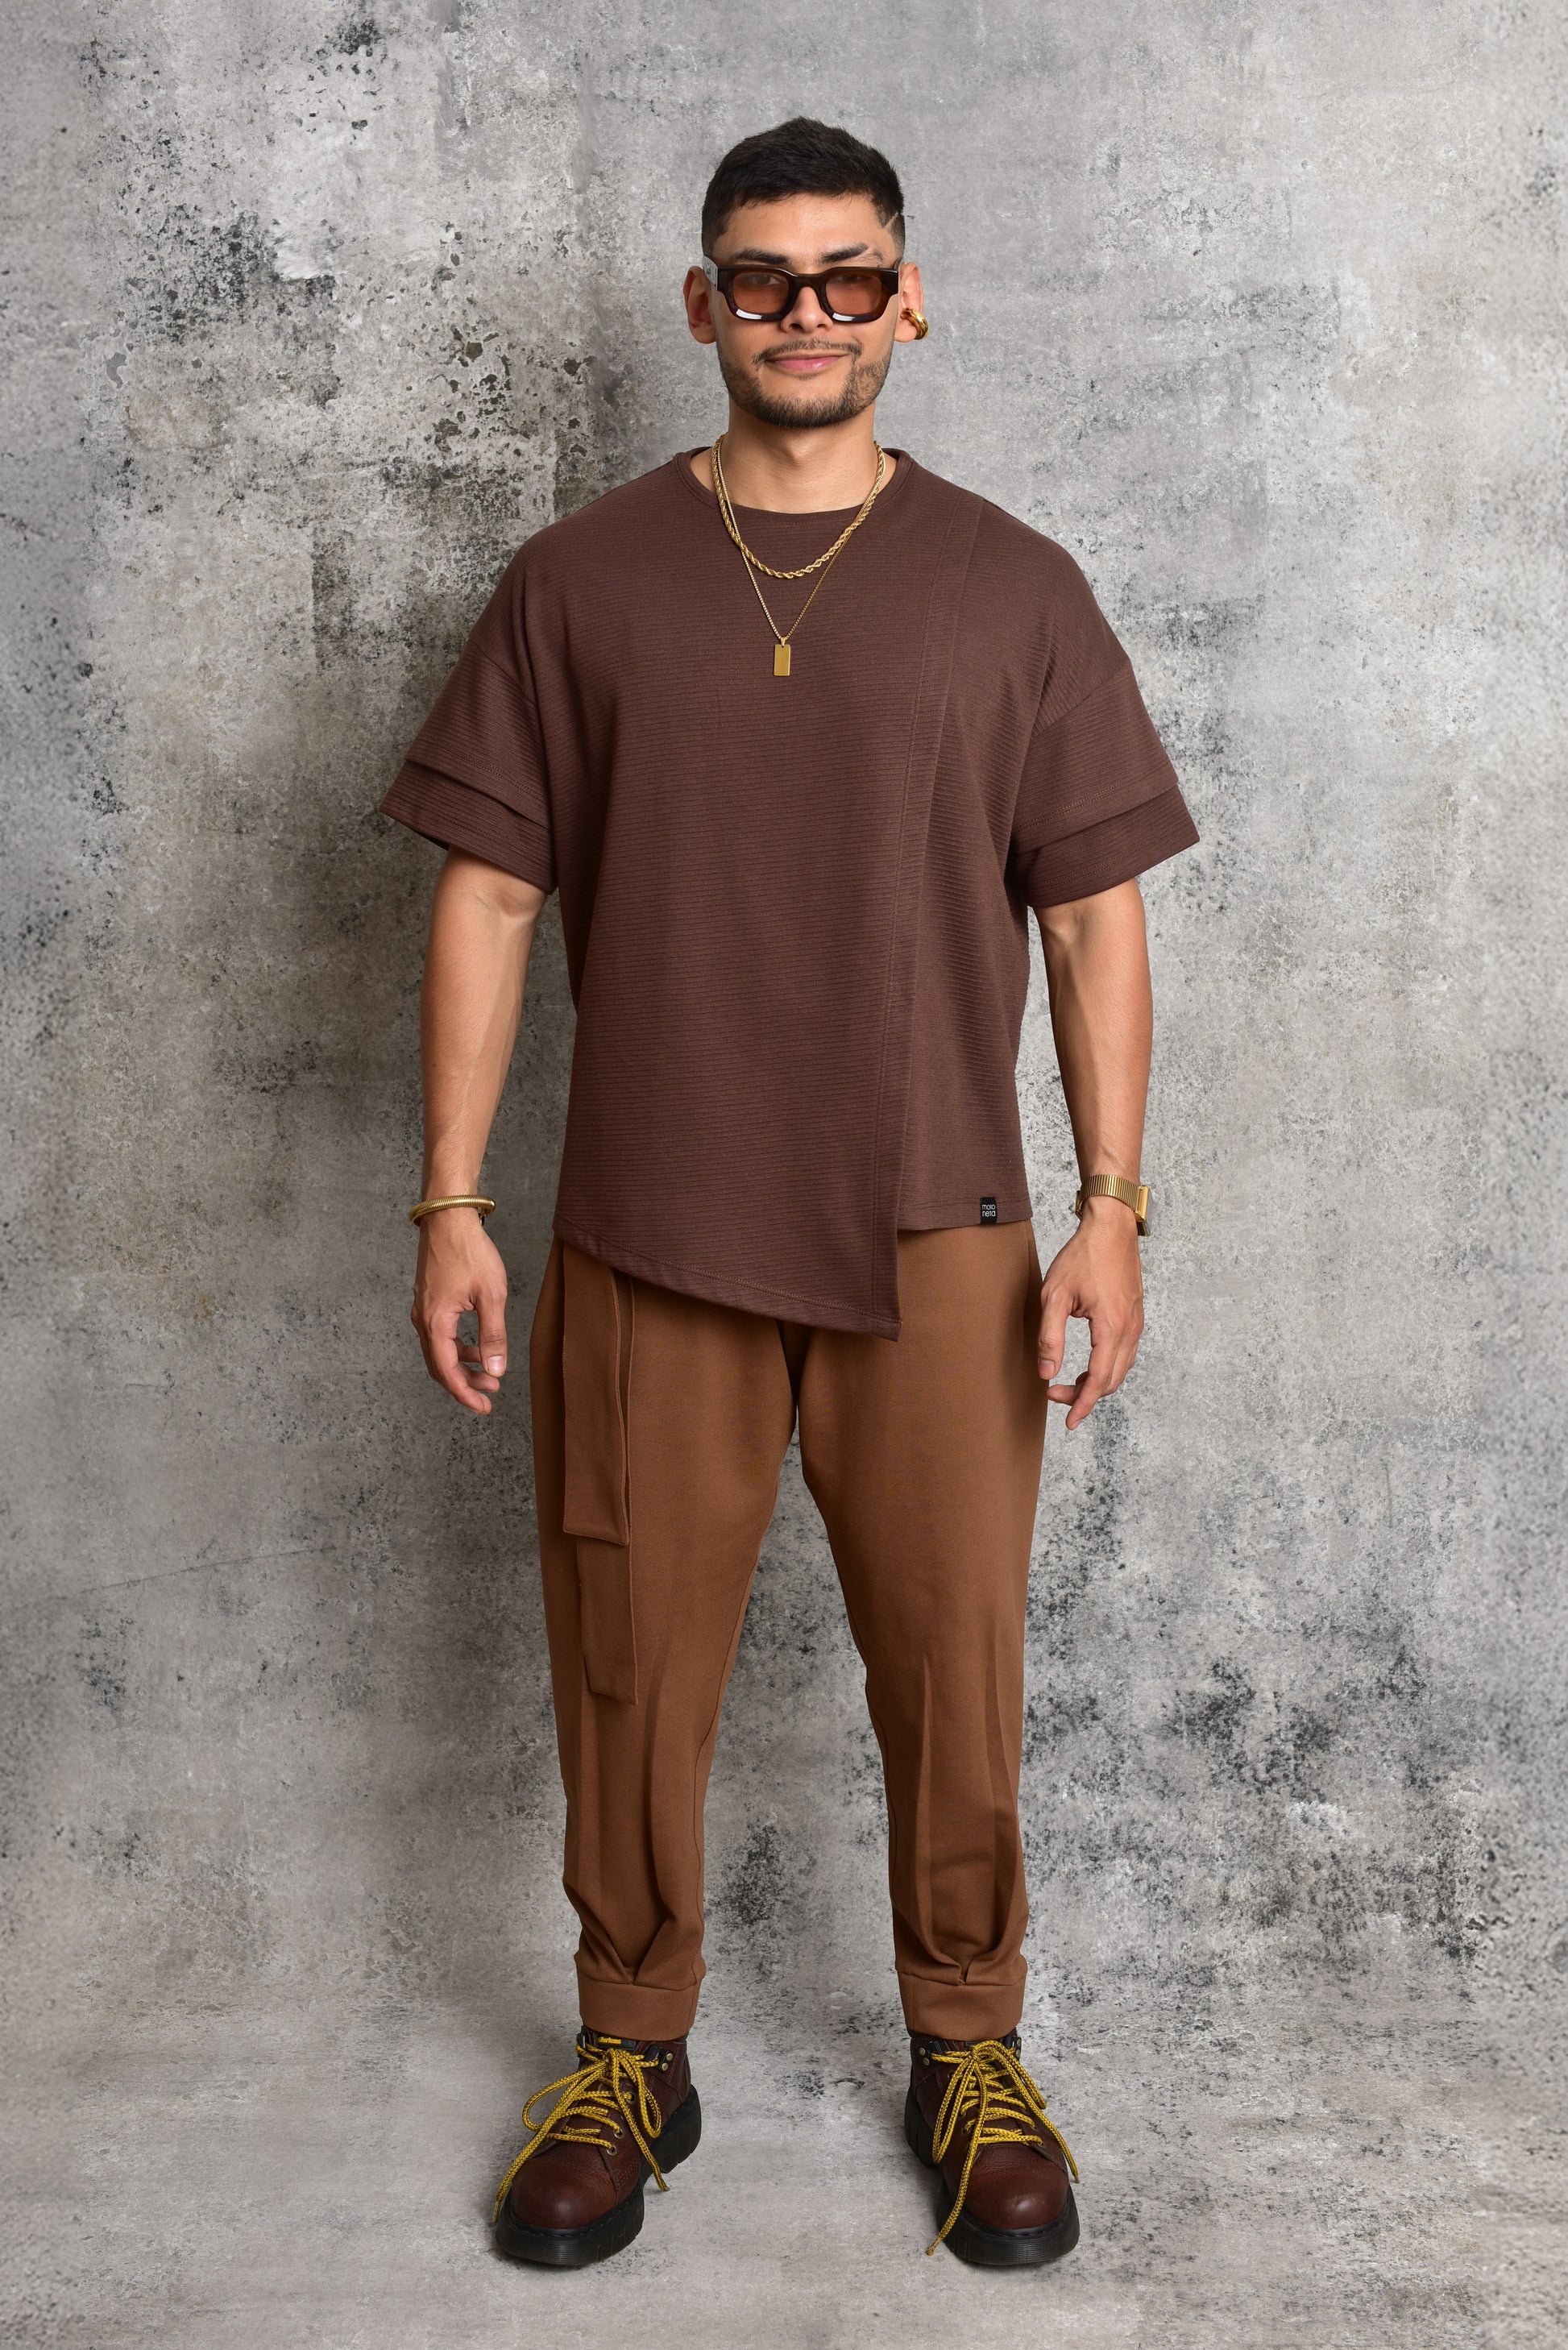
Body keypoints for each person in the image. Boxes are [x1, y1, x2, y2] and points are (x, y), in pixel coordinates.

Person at [378, 115, 1197, 2272]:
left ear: (907, 298)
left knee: (957, 1668)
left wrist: (1111, 1203)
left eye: (847, 276)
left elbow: (1093, 915)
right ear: (704, 306)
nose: (805, 312)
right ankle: (630, 2050)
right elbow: (486, 896)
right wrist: (448, 1201)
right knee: (626, 1665)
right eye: (763, 278)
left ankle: (968, 2047)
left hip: (941, 1228)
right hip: (649, 1225)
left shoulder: (1012, 587)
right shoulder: (578, 583)